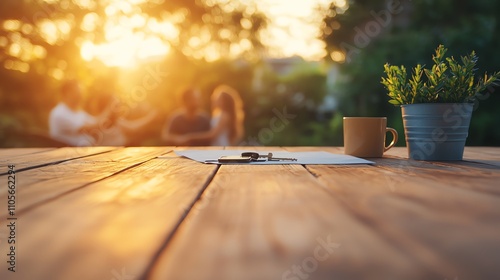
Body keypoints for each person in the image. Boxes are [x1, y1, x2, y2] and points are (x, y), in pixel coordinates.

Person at [48, 80, 111, 146]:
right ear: (67, 93)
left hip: (88, 150)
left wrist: (109, 110)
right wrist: (109, 108)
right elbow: (93, 126)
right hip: (71, 153)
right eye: (77, 92)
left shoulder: (79, 112)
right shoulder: (59, 113)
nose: (81, 95)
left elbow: (96, 121)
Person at [178, 85, 245, 146]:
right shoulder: (218, 114)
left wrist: (190, 137)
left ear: (223, 101)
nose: (215, 99)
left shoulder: (224, 116)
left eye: (218, 98)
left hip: (220, 146)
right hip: (215, 145)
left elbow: (213, 135)